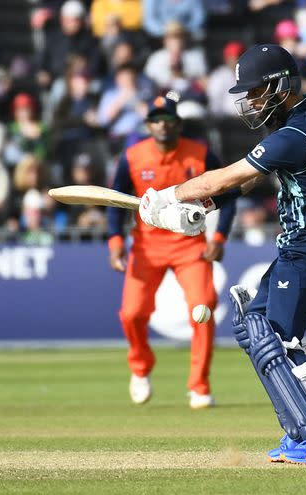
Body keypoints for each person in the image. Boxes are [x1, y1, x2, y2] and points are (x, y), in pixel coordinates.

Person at [136, 45, 306, 464]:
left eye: (256, 91)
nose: (251, 102)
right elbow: (255, 179)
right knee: (255, 329)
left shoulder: (297, 135)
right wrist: (206, 207)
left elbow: (230, 175)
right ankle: (298, 432)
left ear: (280, 85)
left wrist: (167, 197)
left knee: (278, 337)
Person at [106, 91, 237, 409]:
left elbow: (229, 195)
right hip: (147, 246)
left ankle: (199, 386)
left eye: (167, 120)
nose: (162, 126)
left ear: (178, 124)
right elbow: (115, 202)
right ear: (148, 125)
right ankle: (140, 368)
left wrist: (218, 238)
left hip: (190, 245)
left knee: (203, 308)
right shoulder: (133, 156)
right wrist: (115, 242)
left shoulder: (201, 154)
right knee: (132, 313)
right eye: (155, 120)